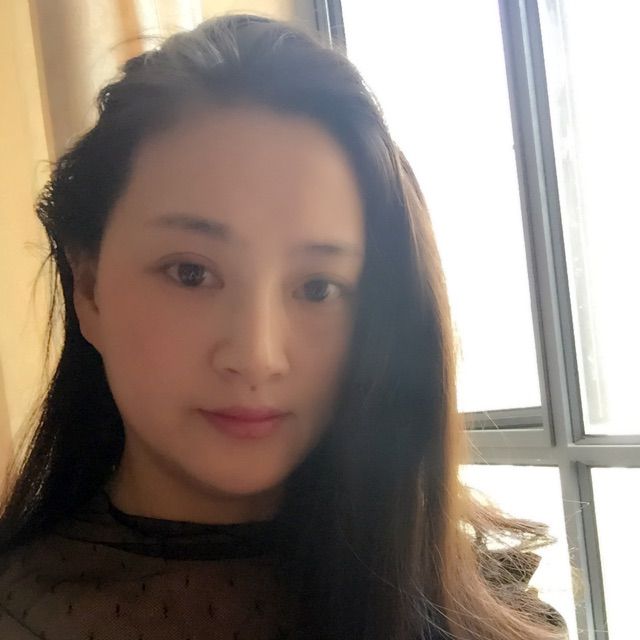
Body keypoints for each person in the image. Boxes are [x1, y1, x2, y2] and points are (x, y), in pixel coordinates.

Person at [0, 14, 567, 640]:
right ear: (88, 290)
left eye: (318, 287)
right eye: (191, 273)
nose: (257, 355)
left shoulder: (495, 613)